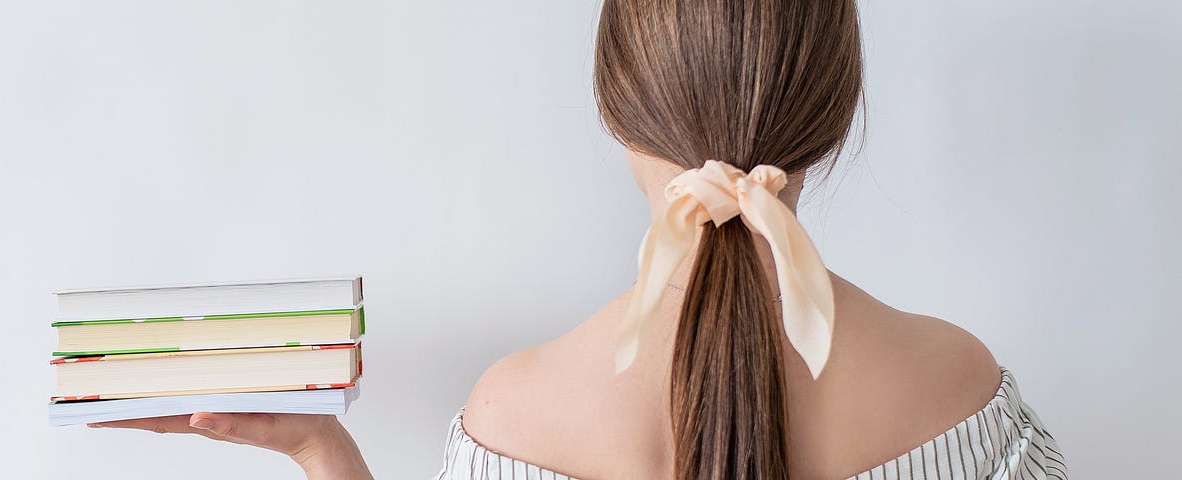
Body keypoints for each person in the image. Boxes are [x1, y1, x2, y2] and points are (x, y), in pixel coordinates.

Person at [92, 0, 1067, 478]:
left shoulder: (510, 421)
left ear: (614, 106)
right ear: (837, 106)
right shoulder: (965, 397)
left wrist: (319, 449)